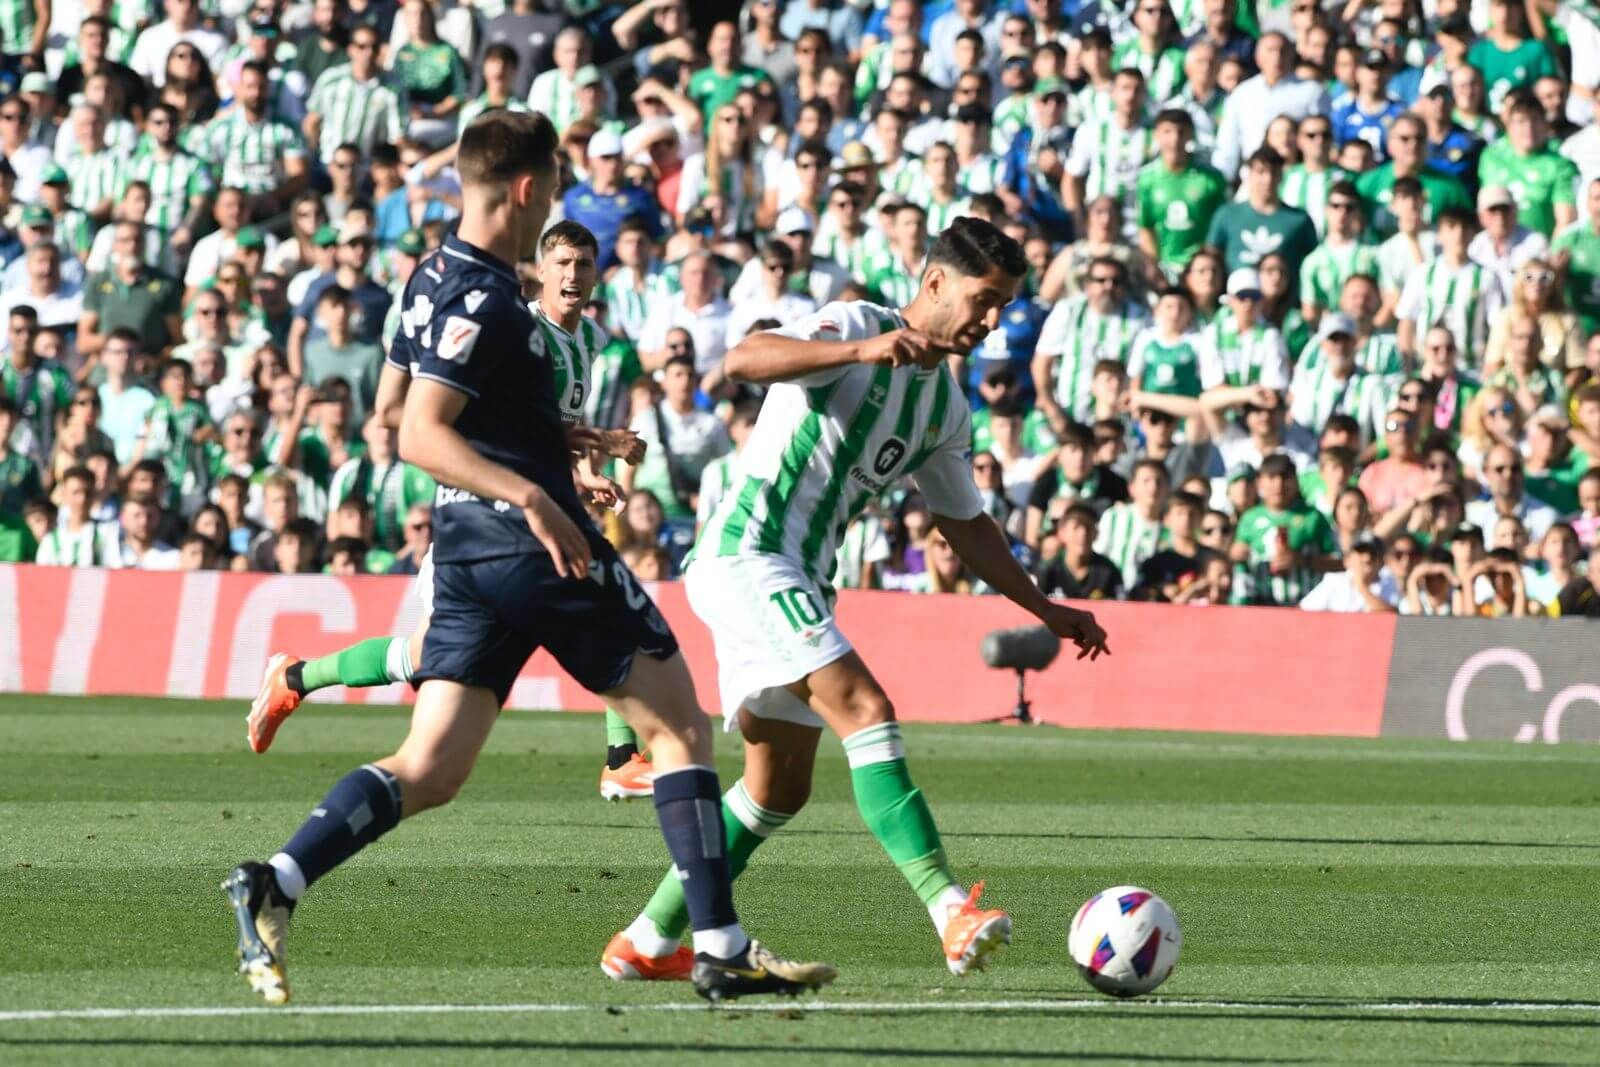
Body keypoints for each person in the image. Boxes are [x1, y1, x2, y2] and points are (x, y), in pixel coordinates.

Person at [225, 112, 835, 1007]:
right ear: (524, 189)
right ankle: (717, 943)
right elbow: (417, 432)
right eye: (553, 179)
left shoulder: (434, 274)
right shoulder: (487, 298)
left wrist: (557, 435)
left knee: (430, 765)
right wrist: (533, 491)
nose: (558, 191)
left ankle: (276, 878)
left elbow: (422, 400)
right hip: (527, 539)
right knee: (680, 728)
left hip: (467, 549)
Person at [600, 216, 1109, 987]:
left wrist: (1044, 605)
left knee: (778, 786)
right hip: (749, 556)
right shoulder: (857, 323)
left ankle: (648, 936)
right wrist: (859, 351)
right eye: (984, 298)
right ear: (935, 283)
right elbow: (742, 359)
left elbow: (964, 524)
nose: (993, 319)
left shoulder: (944, 407)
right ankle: (948, 907)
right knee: (866, 708)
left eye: (1004, 304)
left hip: (799, 576)